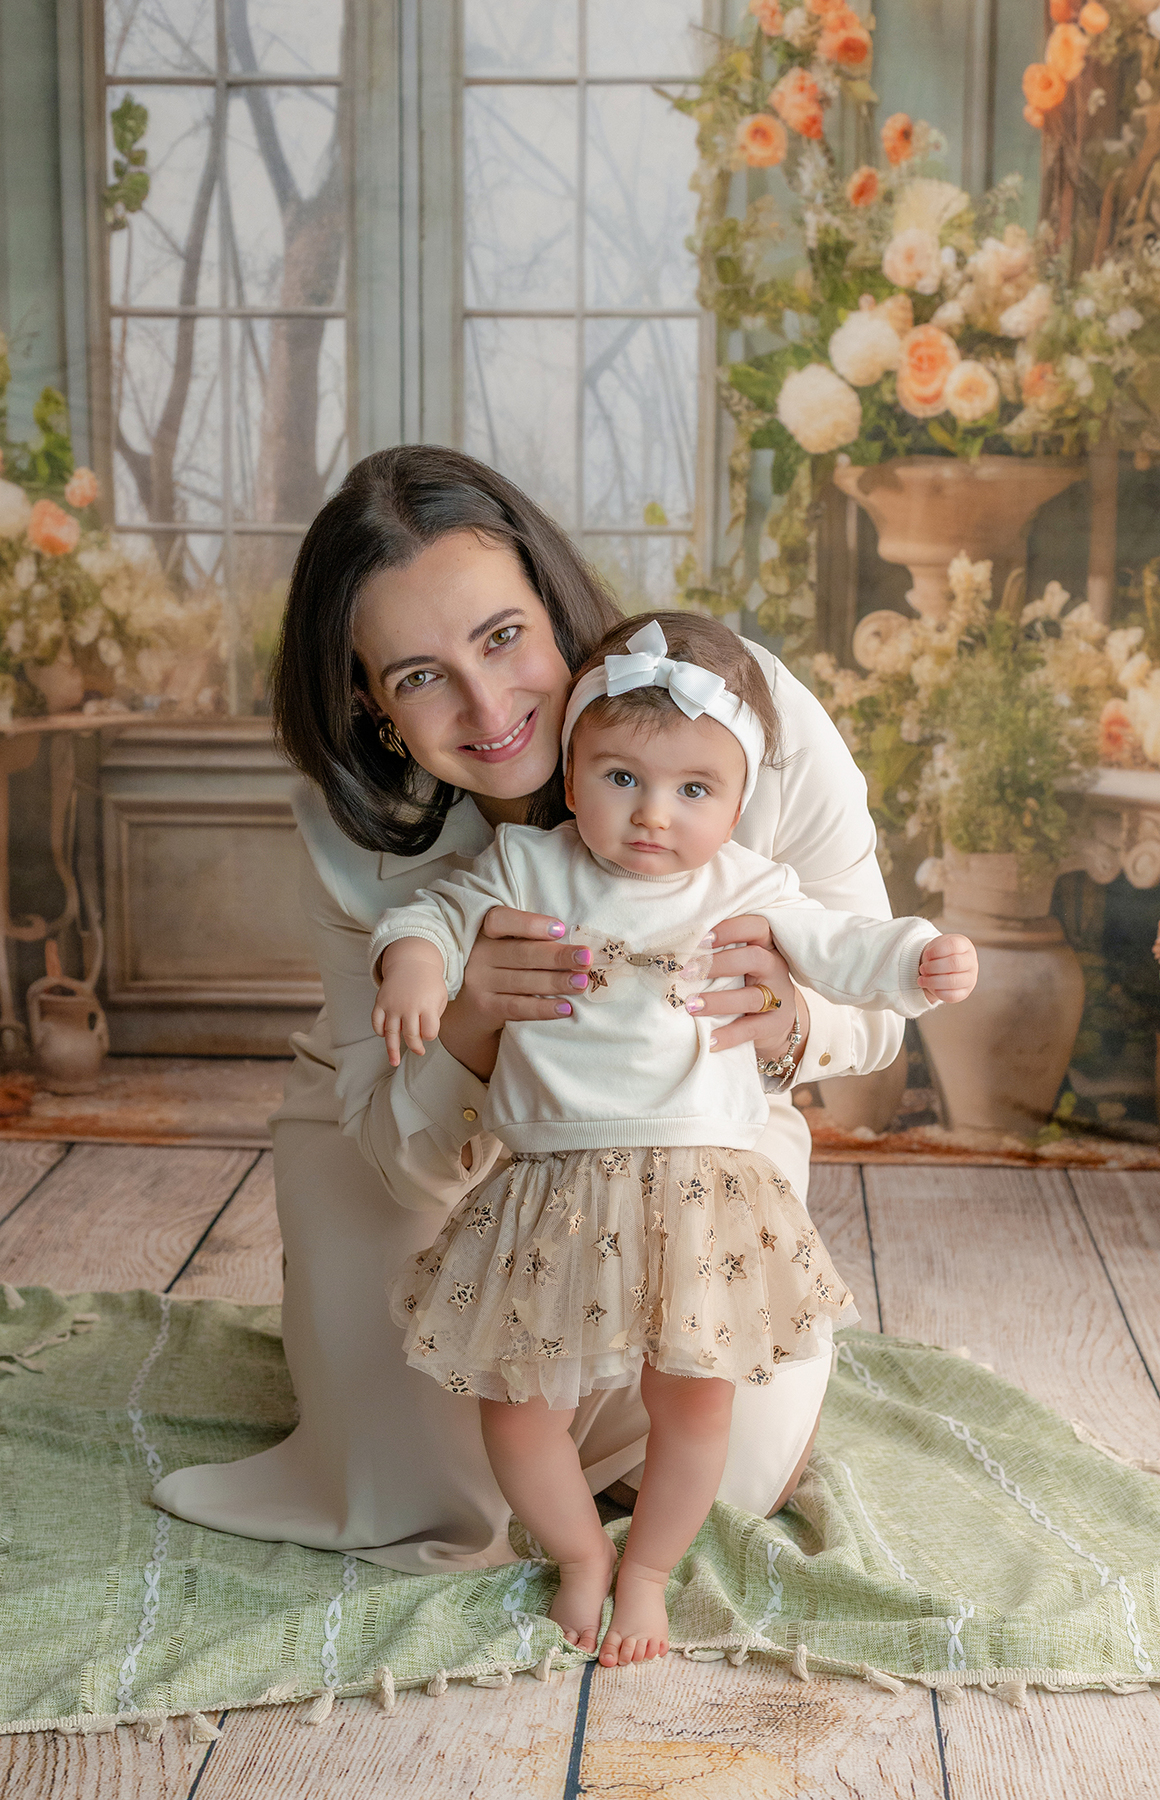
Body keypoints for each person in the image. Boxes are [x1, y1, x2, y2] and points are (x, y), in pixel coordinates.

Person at [153, 445, 919, 1573]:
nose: (488, 706)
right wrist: (467, 1028)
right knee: (424, 1480)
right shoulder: (351, 827)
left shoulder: (736, 713)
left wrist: (793, 1021)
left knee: (723, 1475)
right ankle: (468, 1409)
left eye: (503, 637)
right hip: (406, 1135)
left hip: (686, 1129)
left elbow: (875, 1012)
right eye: (419, 676)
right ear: (371, 701)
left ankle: (636, 1427)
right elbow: (402, 1153)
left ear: (554, 604)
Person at [370, 613, 976, 1662]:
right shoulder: (525, 864)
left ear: (740, 801)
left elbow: (847, 947)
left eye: (695, 790)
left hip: (703, 1194)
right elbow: (428, 916)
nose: (654, 816)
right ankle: (578, 1552)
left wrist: (919, 959)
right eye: (620, 779)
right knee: (515, 1402)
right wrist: (418, 968)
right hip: (551, 1192)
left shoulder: (745, 884)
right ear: (569, 772)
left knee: (692, 1404)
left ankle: (647, 1568)